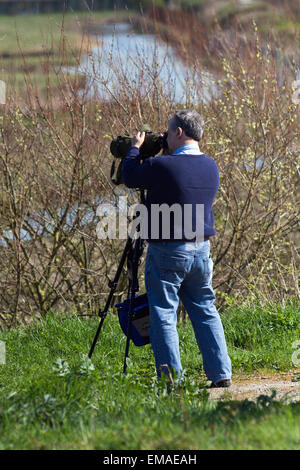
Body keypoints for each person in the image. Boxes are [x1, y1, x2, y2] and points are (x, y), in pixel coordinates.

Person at [122, 109, 231, 388]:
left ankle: (171, 381)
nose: (166, 137)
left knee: (164, 314)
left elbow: (131, 176)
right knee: (205, 309)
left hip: (168, 251)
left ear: (179, 132)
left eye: (169, 132)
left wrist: (135, 148)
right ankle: (221, 374)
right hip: (201, 250)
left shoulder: (163, 167)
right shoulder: (211, 166)